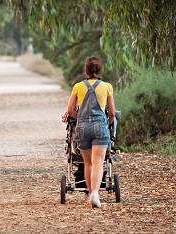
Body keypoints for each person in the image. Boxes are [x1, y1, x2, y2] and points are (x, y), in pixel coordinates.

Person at [62, 56, 116, 208]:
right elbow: (111, 112)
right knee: (99, 161)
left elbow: (70, 110)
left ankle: (89, 192)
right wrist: (108, 124)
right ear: (100, 71)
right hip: (100, 128)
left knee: (88, 162)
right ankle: (95, 194)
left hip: (82, 129)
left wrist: (82, 119)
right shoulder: (106, 86)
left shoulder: (78, 87)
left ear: (86, 71)